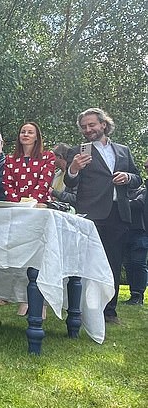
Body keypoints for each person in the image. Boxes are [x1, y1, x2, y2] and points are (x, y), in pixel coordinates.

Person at [65, 108, 141, 323]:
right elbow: (71, 183)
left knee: (113, 263)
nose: (88, 130)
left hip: (118, 214)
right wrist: (73, 169)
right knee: (86, 263)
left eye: (91, 125)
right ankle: (80, 309)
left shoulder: (123, 151)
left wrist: (127, 177)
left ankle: (109, 311)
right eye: (84, 127)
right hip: (91, 214)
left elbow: (138, 179)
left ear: (103, 125)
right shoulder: (77, 152)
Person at [2, 122, 55, 204]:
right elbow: (7, 184)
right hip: (16, 206)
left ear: (36, 137)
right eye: (23, 132)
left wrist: (30, 202)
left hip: (40, 205)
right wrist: (17, 204)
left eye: (30, 132)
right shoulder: (10, 160)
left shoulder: (48, 157)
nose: (25, 135)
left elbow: (44, 183)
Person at [125, 162, 147, 306]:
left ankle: (138, 294)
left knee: (138, 263)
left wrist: (121, 203)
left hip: (142, 231)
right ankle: (134, 293)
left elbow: (139, 204)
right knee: (129, 263)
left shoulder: (143, 191)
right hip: (130, 230)